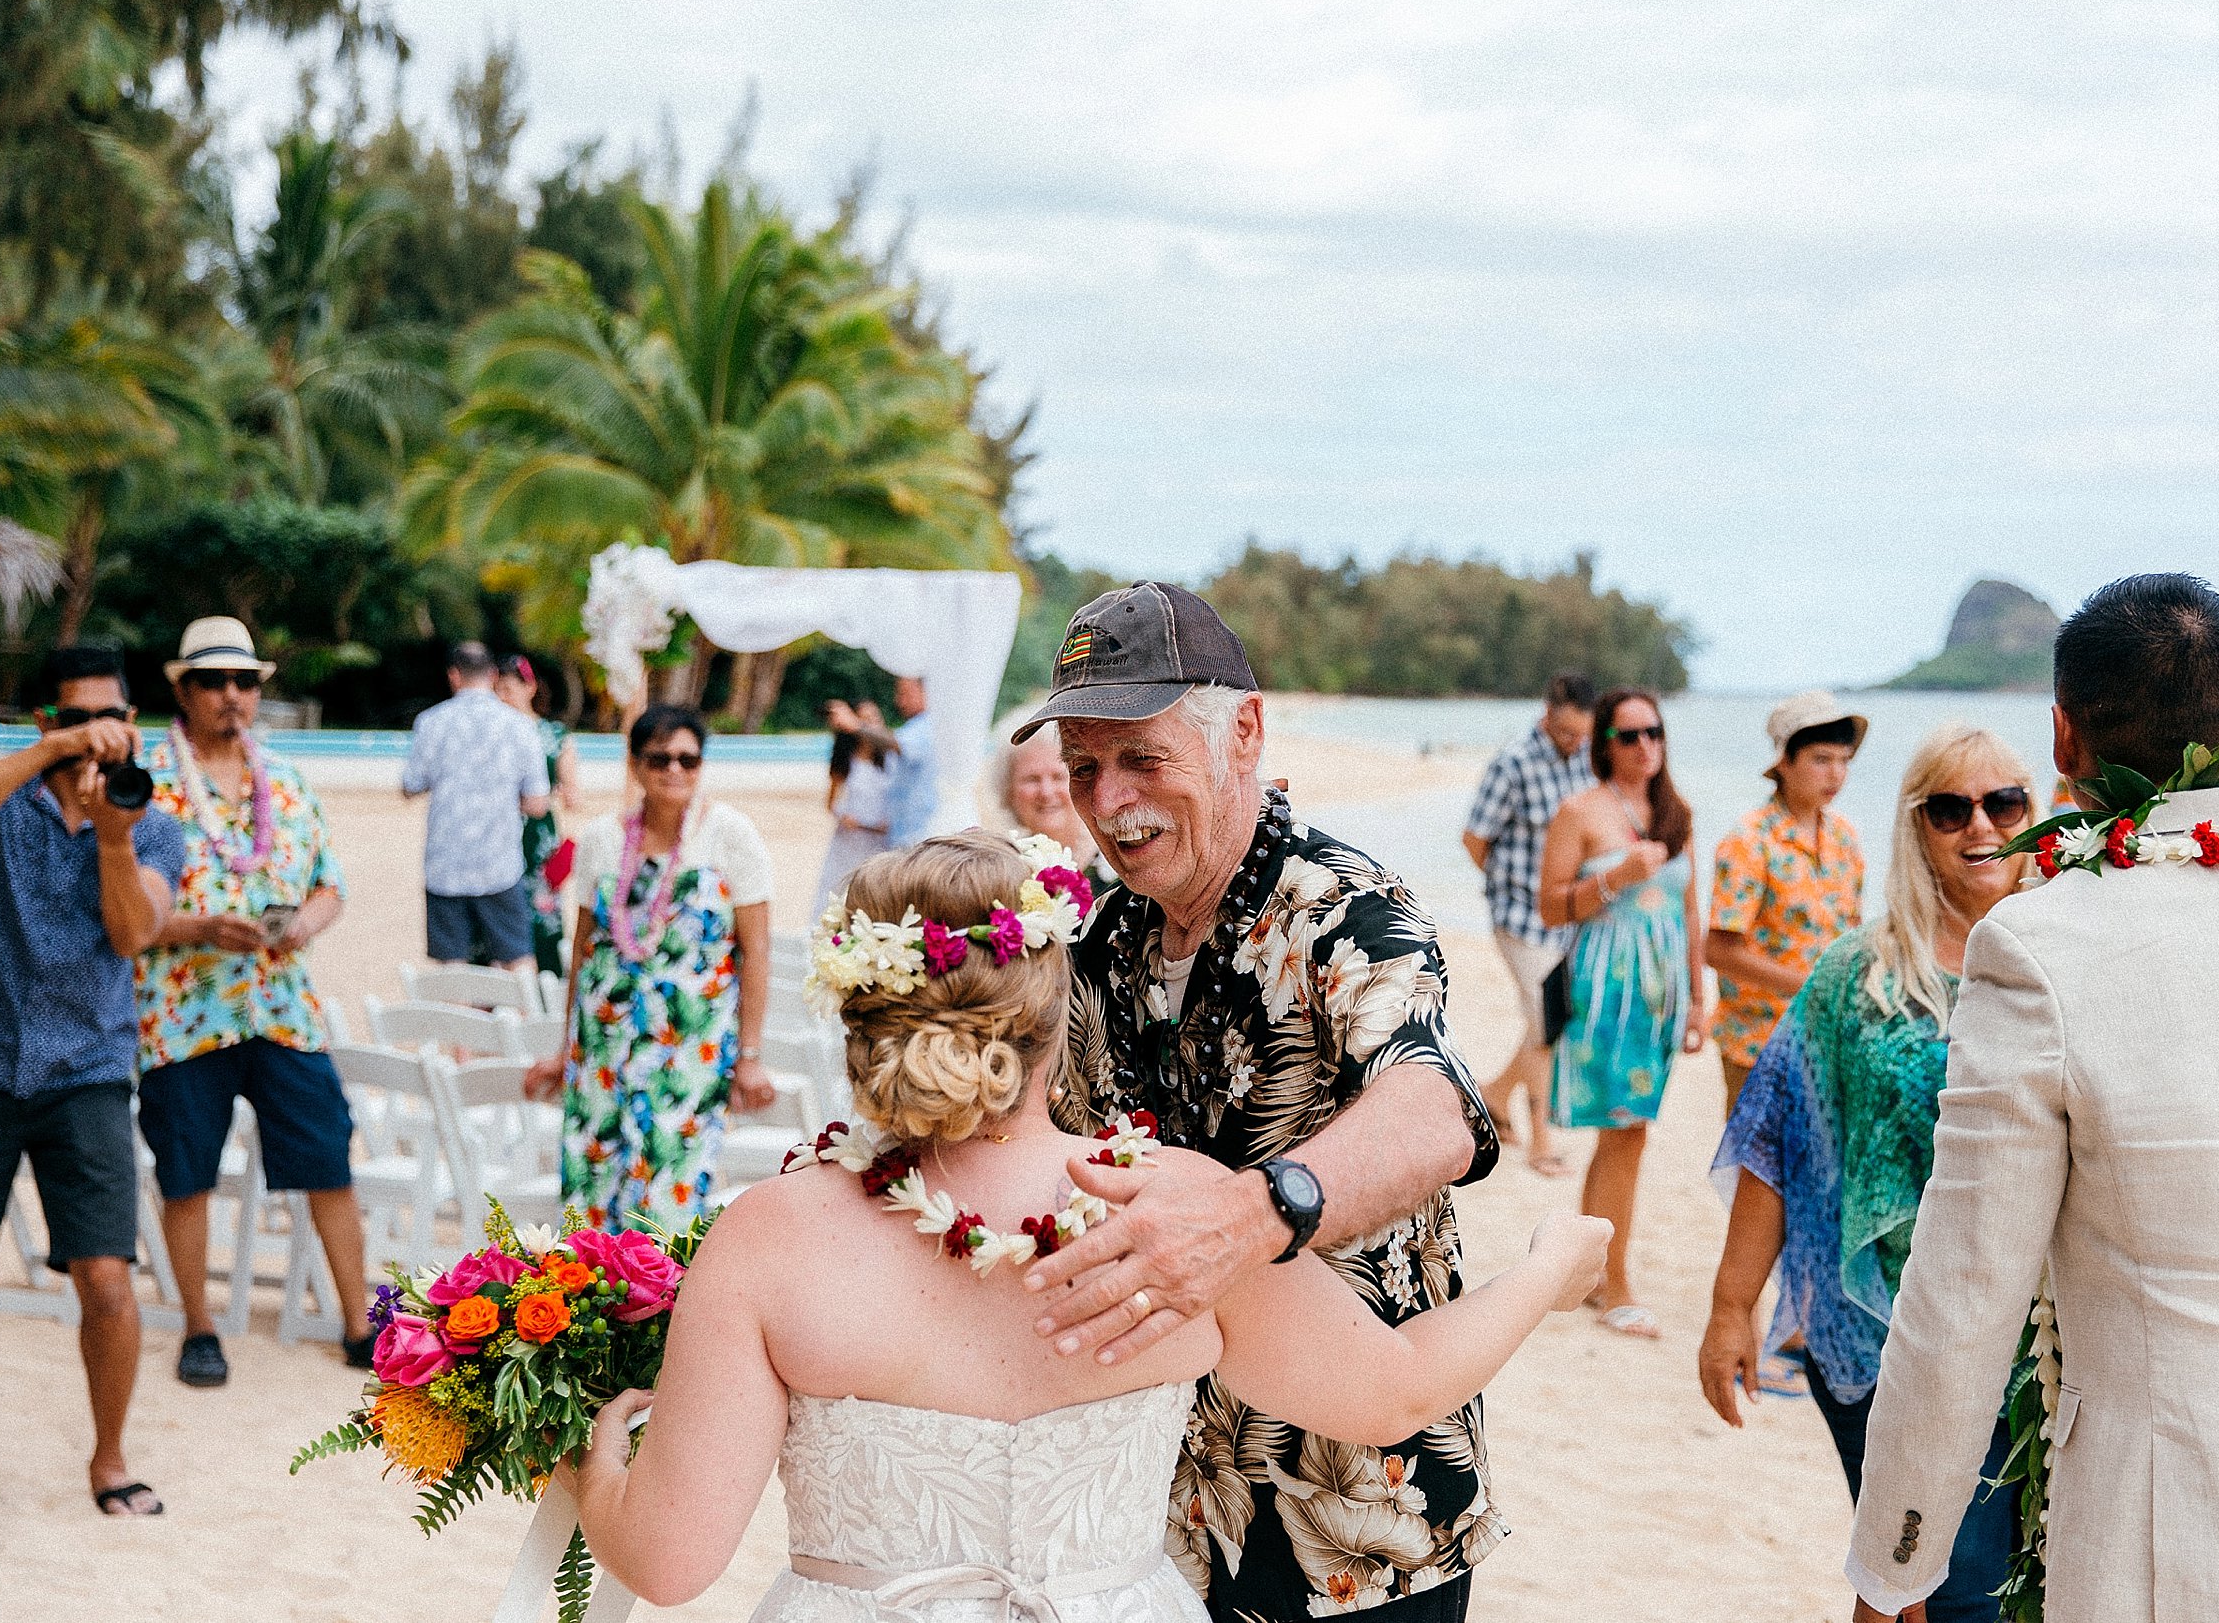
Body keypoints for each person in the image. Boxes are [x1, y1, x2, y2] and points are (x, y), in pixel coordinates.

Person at [566, 830, 1612, 1623]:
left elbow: (667, 1560)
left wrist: (589, 1464)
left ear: (859, 1015)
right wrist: (1547, 1268)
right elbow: (1399, 1392)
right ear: (1051, 1011)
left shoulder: (770, 1233)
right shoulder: (1174, 1212)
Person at [1847, 575, 2219, 1623]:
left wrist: (1894, 1564)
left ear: (2062, 740)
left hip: (2187, 1534)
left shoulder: (2037, 948)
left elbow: (1964, 1292)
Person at [1008, 582, 1507, 1623]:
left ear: (1243, 731)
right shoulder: (1096, 944)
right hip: (1161, 1518)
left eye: (1143, 759)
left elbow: (1432, 1108)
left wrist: (1254, 1212)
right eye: (1084, 769)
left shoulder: (1349, 909)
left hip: (1362, 1519)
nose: (1109, 803)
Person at [1696, 724, 2037, 1623]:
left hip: (2029, 1345)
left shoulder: (2059, 963)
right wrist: (1733, 1306)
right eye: (1950, 808)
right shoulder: (1860, 974)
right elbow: (1780, 1132)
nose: (1980, 826)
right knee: (1948, 1592)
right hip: (1878, 1332)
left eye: (2003, 801)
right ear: (1915, 824)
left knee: (1916, 1592)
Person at [0, 644, 182, 1514]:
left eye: (106, 719)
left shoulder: (153, 821)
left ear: (133, 724)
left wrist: (113, 837)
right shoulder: (5, 801)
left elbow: (133, 934)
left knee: (108, 1279)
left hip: (87, 1071)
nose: (92, 737)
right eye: (74, 720)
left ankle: (109, 1460)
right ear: (48, 723)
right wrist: (45, 758)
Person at [135, 618, 371, 1388]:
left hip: (281, 1004)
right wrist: (197, 926)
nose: (232, 695)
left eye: (245, 681)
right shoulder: (148, 782)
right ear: (183, 689)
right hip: (181, 1012)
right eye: (214, 681)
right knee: (187, 1169)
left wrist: (306, 920)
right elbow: (116, 911)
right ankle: (200, 1328)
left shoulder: (290, 781)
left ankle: (359, 1323)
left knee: (328, 1150)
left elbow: (331, 883)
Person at [525, 706, 776, 1233]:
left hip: (689, 1053)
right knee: (593, 1193)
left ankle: (664, 1313)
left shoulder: (731, 835)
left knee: (670, 1196)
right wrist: (563, 1046)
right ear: (636, 765)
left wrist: (749, 1056)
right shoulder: (602, 838)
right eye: (659, 758)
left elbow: (755, 953)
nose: (674, 771)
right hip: (603, 1050)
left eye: (688, 759)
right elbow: (583, 949)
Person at [1536, 686, 1704, 1340]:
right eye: (1629, 735)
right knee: (1626, 1128)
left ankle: (1589, 1273)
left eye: (1654, 732)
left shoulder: (1676, 812)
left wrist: (1698, 1001)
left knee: (1624, 1131)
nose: (1645, 746)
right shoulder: (1579, 811)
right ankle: (1617, 1285)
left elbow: (1691, 913)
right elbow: (1551, 907)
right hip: (1607, 987)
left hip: (1662, 994)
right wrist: (1617, 875)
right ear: (1606, 743)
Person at [1463, 674, 1600, 1176]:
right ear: (1548, 714)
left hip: (1570, 918)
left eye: (1581, 734)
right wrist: (1508, 887)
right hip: (1519, 916)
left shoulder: (1587, 759)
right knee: (1548, 1023)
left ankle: (1494, 1094)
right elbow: (1475, 838)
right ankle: (1542, 1139)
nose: (1573, 742)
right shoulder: (1513, 762)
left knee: (1554, 1018)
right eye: (1565, 732)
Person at [1708, 691, 1868, 1118]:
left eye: (1843, 760)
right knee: (1754, 1177)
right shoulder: (1749, 840)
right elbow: (1718, 949)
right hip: (1758, 1039)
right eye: (1820, 759)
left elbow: (1853, 933)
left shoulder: (1844, 837)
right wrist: (1808, 985)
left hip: (1830, 1036)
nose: (1835, 774)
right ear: (1784, 762)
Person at [402, 641, 550, 971]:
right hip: (500, 864)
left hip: (445, 864)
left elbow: (411, 785)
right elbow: (538, 803)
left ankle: (460, 1023)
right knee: (516, 959)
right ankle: (522, 1021)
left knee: (453, 967)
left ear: (454, 675)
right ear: (493, 674)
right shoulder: (521, 726)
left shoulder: (431, 722)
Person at [499, 653, 580, 977]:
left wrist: (554, 794)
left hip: (538, 836)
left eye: (507, 688)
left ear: (529, 687)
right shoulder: (494, 732)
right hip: (500, 832)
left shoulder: (555, 735)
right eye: (497, 689)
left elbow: (573, 794)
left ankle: (545, 984)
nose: (502, 697)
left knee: (543, 911)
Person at [988, 723, 1107, 881]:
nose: (1046, 792)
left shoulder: (1113, 862)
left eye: (1058, 776)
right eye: (1032, 779)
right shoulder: (1000, 872)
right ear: (1008, 789)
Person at [826, 674, 933, 847]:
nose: (899, 701)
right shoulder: (912, 729)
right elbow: (832, 800)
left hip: (910, 834)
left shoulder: (924, 728)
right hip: (873, 837)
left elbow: (896, 743)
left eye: (905, 693)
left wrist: (856, 725)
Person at [811, 699, 893, 920]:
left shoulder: (889, 759)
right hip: (850, 839)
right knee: (838, 891)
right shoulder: (846, 761)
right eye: (864, 720)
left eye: (875, 719)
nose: (870, 725)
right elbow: (831, 802)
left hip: (879, 839)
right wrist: (844, 816)